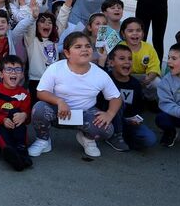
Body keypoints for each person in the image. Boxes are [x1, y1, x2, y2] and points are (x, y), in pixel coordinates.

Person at [28, 32, 122, 160]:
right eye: (78, 47)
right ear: (67, 53)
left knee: (107, 129)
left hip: (85, 115)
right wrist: (59, 101)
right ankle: (43, 140)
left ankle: (87, 139)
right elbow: (41, 92)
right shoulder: (55, 68)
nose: (84, 49)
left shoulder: (100, 74)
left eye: (88, 46)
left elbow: (116, 97)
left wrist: (110, 114)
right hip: (58, 113)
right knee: (39, 109)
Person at [104, 44, 157, 151]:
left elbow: (138, 107)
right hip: (107, 118)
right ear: (111, 62)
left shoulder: (135, 84)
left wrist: (134, 119)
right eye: (122, 58)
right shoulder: (105, 78)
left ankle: (123, 136)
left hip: (127, 121)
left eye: (130, 59)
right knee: (118, 101)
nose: (127, 62)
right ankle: (115, 135)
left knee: (150, 139)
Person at [0, 55, 32, 171]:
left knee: (17, 112)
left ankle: (21, 150)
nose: (13, 73)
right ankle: (11, 153)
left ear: (22, 74)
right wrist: (3, 120)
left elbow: (27, 116)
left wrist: (24, 115)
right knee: (2, 133)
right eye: (9, 69)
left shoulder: (24, 94)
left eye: (17, 70)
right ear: (1, 74)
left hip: (16, 127)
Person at [119, 17, 162, 100]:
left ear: (142, 34)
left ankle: (150, 99)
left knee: (157, 83)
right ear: (123, 34)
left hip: (144, 77)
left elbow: (154, 67)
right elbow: (116, 66)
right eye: (130, 31)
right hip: (125, 76)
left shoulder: (148, 48)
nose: (135, 33)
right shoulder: (120, 47)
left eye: (138, 30)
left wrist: (149, 78)